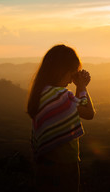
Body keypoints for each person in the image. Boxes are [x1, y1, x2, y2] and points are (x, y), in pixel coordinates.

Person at [27, 44, 96, 192]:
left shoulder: (41, 94)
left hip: (43, 165)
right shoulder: (62, 96)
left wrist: (79, 87)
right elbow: (89, 113)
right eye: (72, 74)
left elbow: (74, 110)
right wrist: (82, 86)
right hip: (65, 165)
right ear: (61, 71)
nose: (72, 80)